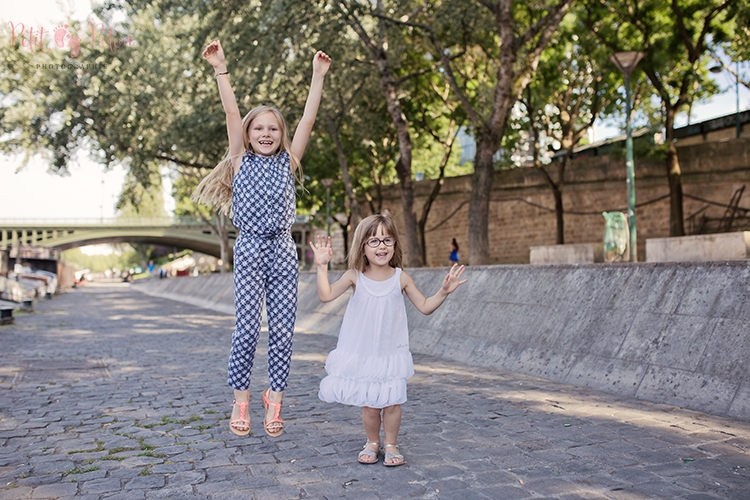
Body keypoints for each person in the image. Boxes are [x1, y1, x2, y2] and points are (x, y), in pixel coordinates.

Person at [193, 40, 331, 438]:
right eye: (259, 128)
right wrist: (220, 67)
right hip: (251, 247)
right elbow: (231, 110)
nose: (266, 133)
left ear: (281, 135)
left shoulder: (289, 162)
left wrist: (317, 77)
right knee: (247, 328)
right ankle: (241, 400)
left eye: (273, 128)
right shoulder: (240, 160)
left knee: (285, 329)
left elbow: (307, 120)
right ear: (249, 135)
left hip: (284, 251)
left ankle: (275, 399)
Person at [309, 213, 467, 466]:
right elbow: (326, 295)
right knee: (371, 405)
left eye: (387, 240)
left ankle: (391, 444)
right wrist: (321, 265)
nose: (381, 246)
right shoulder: (354, 276)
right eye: (374, 241)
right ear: (363, 246)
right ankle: (372, 442)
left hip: (391, 352)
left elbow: (425, 306)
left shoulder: (401, 278)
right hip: (365, 353)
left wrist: (444, 291)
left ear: (395, 245)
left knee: (392, 403)